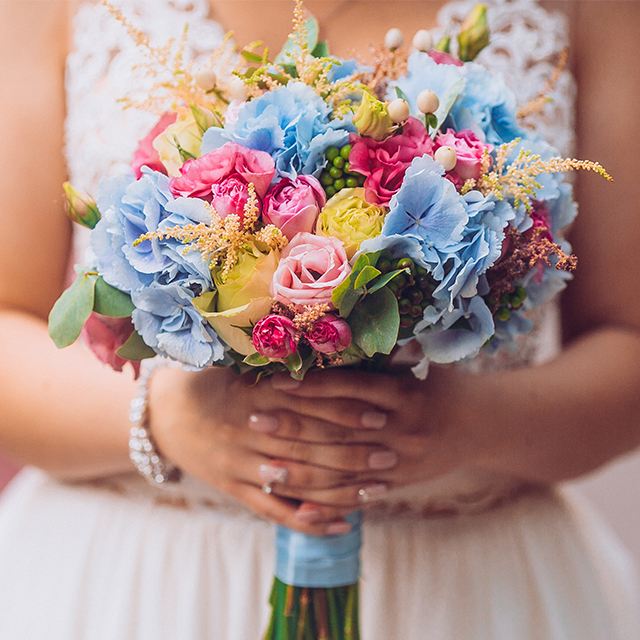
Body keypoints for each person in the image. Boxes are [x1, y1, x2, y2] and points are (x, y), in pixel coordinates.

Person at [0, 0, 639, 638]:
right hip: (134, 584)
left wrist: (473, 424)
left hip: (466, 592)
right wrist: (165, 418)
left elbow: (628, 342)